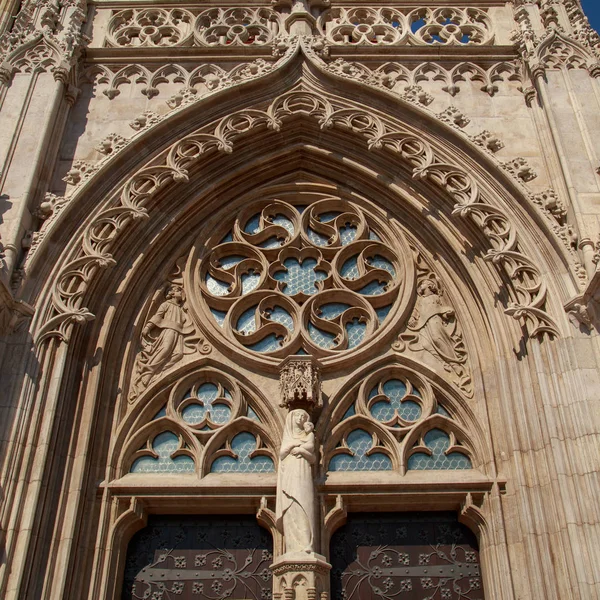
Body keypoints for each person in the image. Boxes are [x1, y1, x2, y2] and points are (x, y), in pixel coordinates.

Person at [276, 409, 316, 554]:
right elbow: (282, 453)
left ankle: (307, 543)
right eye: (298, 415)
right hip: (289, 475)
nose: (300, 418)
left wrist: (301, 450)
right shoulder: (288, 437)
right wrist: (295, 445)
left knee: (304, 505)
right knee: (291, 507)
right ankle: (293, 547)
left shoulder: (309, 436)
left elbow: (312, 455)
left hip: (303, 473)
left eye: (303, 416)